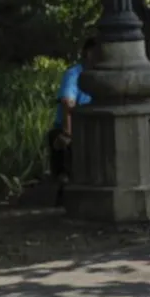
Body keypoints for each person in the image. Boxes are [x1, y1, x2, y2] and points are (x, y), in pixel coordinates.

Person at [47, 36, 98, 203]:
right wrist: (68, 133)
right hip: (71, 126)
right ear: (89, 53)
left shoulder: (101, 76)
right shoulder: (74, 74)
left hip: (94, 127)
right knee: (64, 143)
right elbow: (67, 104)